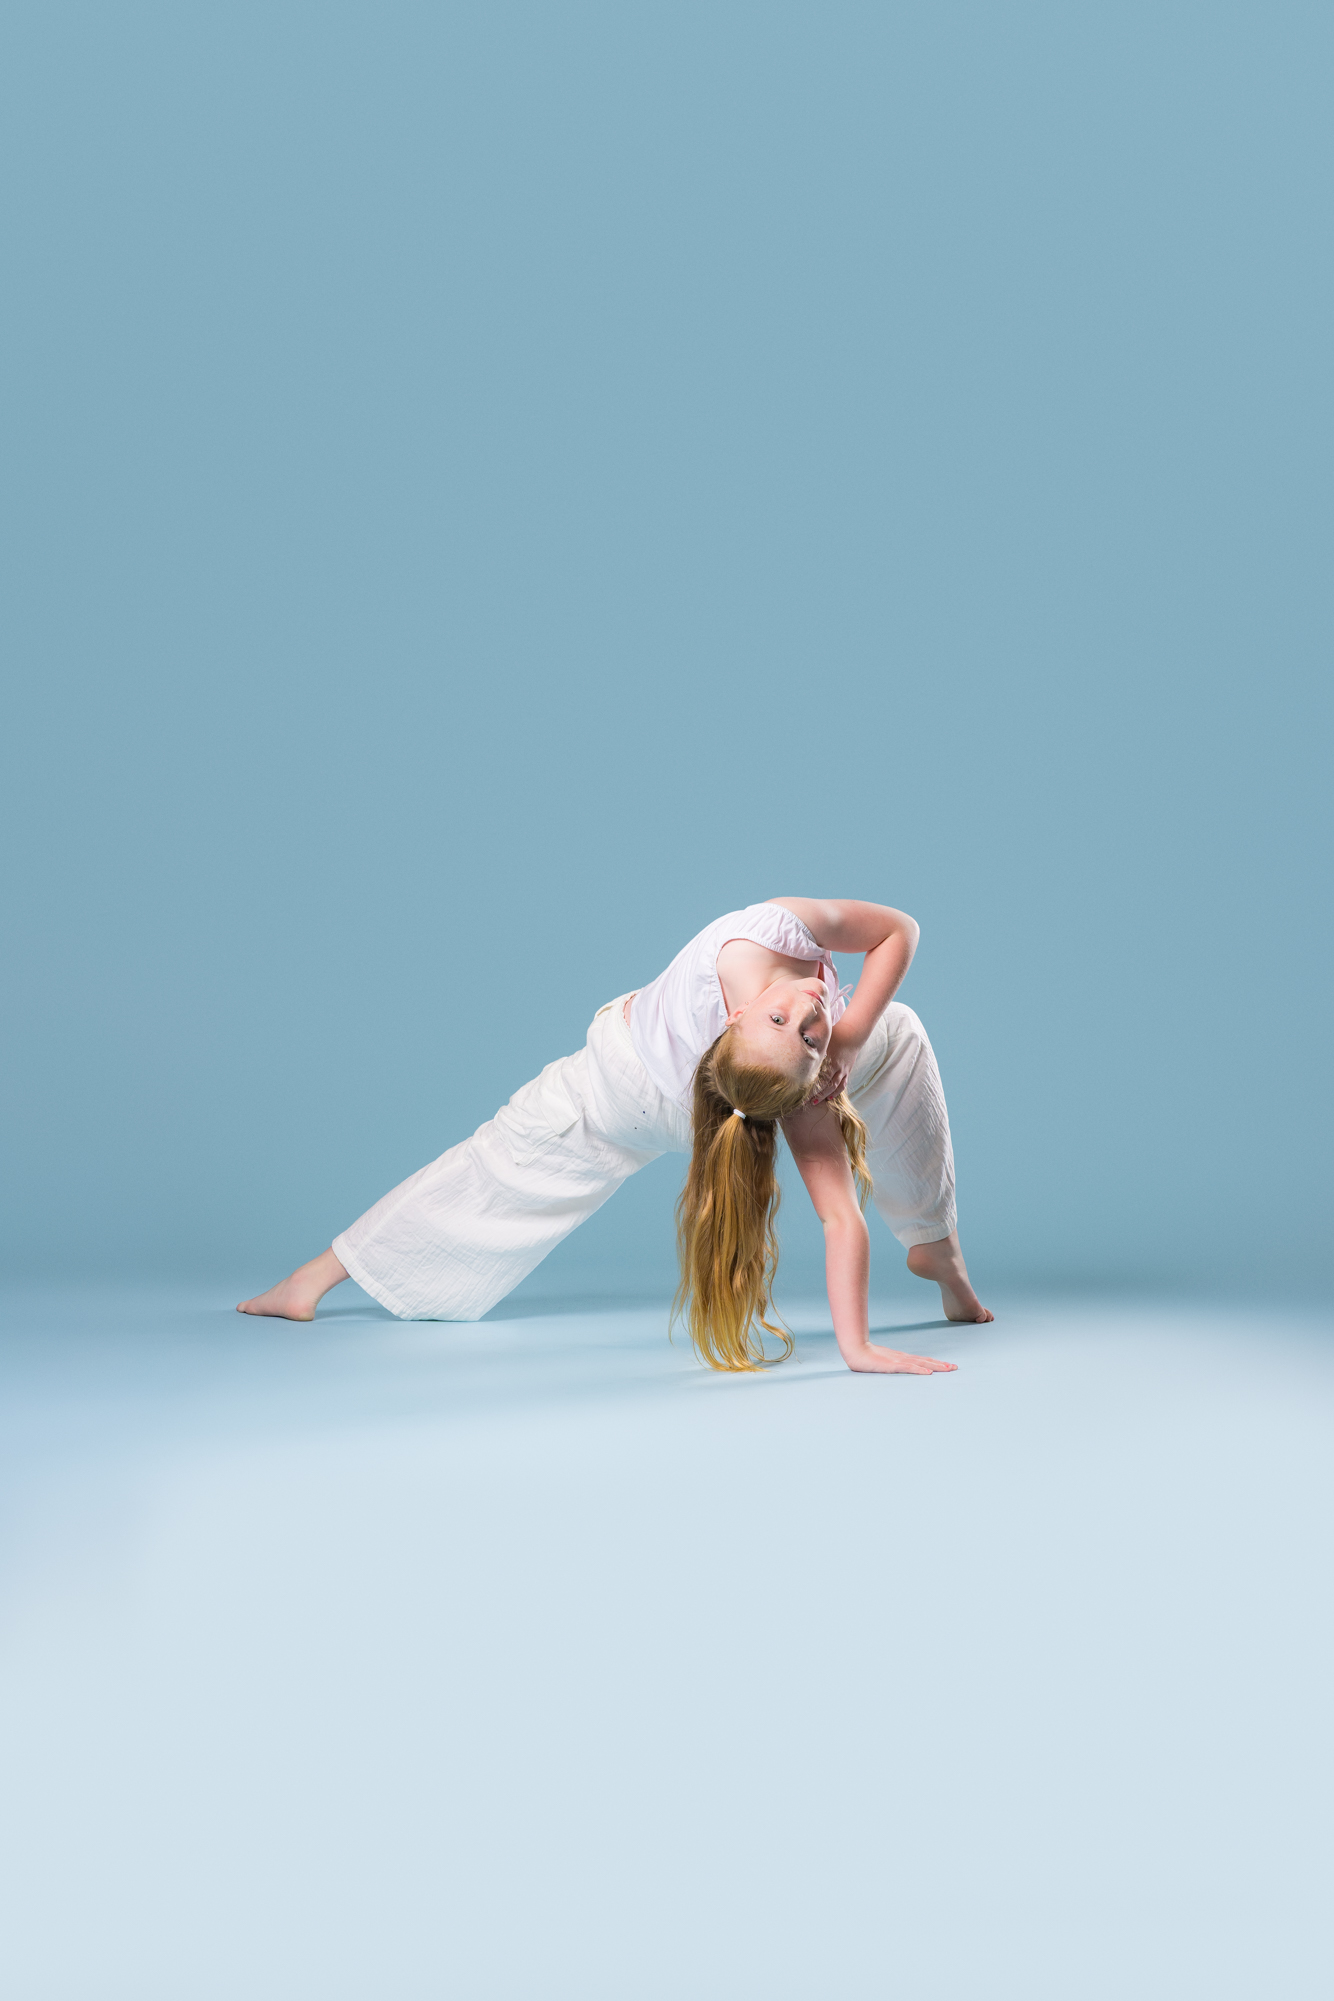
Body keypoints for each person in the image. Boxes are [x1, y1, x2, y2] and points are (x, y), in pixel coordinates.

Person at [238, 897, 992, 1373]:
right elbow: (899, 928)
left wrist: (834, 1045)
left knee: (500, 1162)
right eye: (790, 1021)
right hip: (644, 1091)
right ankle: (939, 1248)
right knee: (901, 1032)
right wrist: (845, 1041)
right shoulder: (789, 1030)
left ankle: (313, 1280)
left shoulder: (777, 1034)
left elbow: (838, 1210)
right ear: (733, 1016)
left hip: (646, 1089)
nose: (808, 1010)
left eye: (804, 1028)